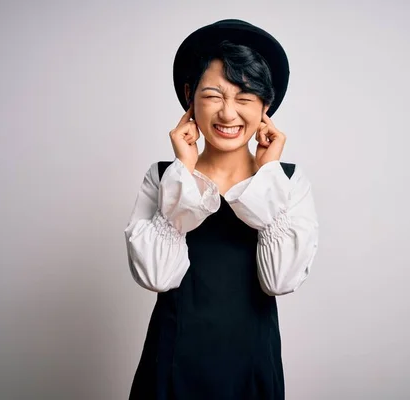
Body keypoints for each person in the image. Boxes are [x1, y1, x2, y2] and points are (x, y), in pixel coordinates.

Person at [124, 19, 319, 400]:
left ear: (265, 106)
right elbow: (157, 276)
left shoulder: (289, 183)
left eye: (245, 98)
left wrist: (267, 177)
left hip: (251, 372)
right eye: (214, 95)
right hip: (170, 370)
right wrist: (185, 172)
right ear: (189, 97)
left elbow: (280, 281)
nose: (228, 114)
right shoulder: (164, 178)